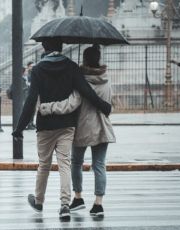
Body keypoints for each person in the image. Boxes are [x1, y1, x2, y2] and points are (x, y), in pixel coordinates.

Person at [12, 38, 111, 220]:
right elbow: (85, 91)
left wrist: (19, 128)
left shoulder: (38, 69)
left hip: (45, 124)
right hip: (67, 124)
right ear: (62, 46)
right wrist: (103, 105)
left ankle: (39, 201)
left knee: (44, 164)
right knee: (64, 163)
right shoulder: (72, 67)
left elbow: (31, 100)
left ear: (44, 47)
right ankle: (65, 205)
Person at [38, 44, 116, 217]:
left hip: (83, 127)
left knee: (75, 163)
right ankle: (98, 204)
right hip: (103, 127)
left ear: (85, 60)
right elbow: (111, 102)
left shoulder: (81, 80)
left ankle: (78, 197)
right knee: (99, 165)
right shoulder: (106, 78)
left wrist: (47, 108)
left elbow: (71, 104)